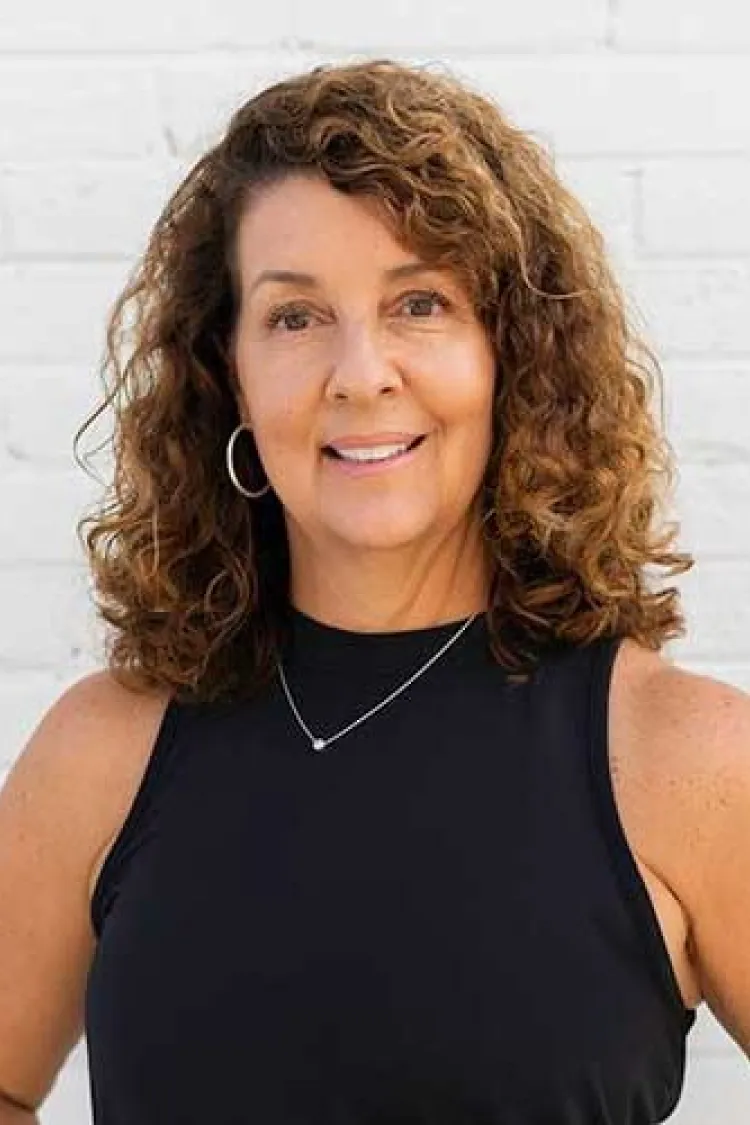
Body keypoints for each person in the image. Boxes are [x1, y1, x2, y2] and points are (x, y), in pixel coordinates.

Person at [0, 57, 748, 1125]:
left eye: (420, 303)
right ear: (232, 374)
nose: (360, 373)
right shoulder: (102, 752)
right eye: (295, 318)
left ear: (513, 354)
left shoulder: (689, 760)